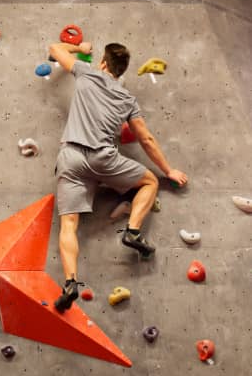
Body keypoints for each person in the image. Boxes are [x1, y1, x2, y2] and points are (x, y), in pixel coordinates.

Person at [49, 41, 188, 313]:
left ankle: (70, 283)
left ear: (102, 63)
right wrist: (169, 170)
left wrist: (78, 46)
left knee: (69, 225)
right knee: (150, 181)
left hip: (71, 157)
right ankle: (133, 231)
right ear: (121, 71)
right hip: (104, 159)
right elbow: (145, 139)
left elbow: (54, 48)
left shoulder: (86, 72)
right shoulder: (127, 99)